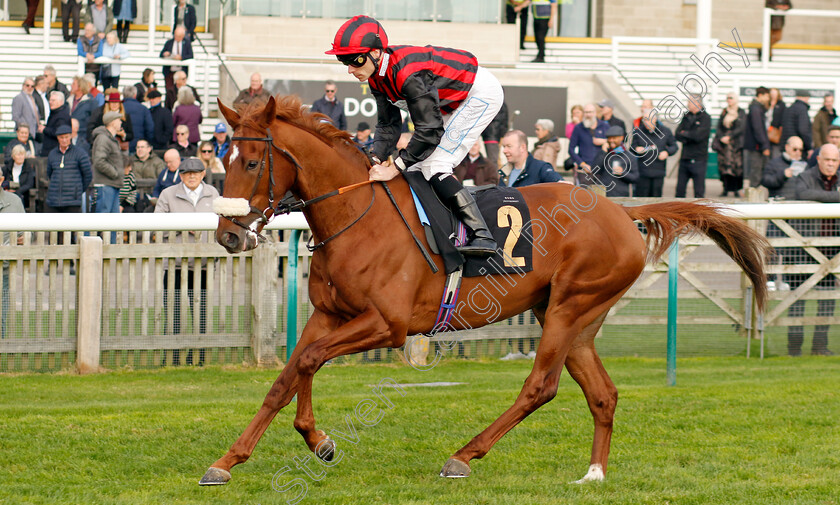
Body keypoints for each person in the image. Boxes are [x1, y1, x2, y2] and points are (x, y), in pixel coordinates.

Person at [326, 15, 504, 256]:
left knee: (436, 164)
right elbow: (389, 125)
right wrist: (374, 158)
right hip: (450, 103)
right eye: (343, 60)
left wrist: (394, 167)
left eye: (354, 60)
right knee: (417, 167)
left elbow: (429, 130)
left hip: (478, 93)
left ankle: (482, 235)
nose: (349, 69)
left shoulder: (408, 73)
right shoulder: (377, 78)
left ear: (376, 53)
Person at [155, 158, 219, 366]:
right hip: (175, 264)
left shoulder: (213, 194)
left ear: (203, 174)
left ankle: (200, 357)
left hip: (204, 265)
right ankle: (172, 357)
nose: (191, 176)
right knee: (173, 312)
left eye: (196, 172)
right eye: (187, 173)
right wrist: (184, 227)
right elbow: (157, 226)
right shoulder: (168, 194)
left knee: (202, 314)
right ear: (180, 175)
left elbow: (222, 224)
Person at [786, 143, 839, 356]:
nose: (830, 164)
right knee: (798, 298)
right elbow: (802, 194)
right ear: (818, 159)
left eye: (834, 161)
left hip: (831, 251)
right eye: (827, 159)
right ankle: (794, 348)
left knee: (827, 301)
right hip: (805, 248)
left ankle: (820, 347)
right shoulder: (805, 177)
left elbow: (814, 195)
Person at [45, 124, 93, 213]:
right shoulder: (52, 154)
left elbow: (88, 175)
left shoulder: (80, 153)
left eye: (66, 137)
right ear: (57, 138)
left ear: (70, 136)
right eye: (61, 137)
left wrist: (77, 190)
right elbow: (49, 173)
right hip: (53, 200)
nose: (64, 140)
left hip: (72, 201)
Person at [631, 106, 678, 198]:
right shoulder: (638, 132)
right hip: (642, 172)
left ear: (655, 119)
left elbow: (674, 146)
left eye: (649, 119)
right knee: (641, 198)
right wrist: (636, 149)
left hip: (658, 171)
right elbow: (632, 147)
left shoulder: (665, 131)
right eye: (645, 120)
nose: (646, 122)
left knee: (656, 198)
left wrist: (667, 152)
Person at [674, 95, 712, 198]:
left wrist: (685, 134)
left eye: (690, 102)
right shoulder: (686, 116)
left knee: (699, 191)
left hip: (699, 159)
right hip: (685, 158)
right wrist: (689, 135)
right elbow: (677, 134)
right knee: (679, 190)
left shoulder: (705, 118)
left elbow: (698, 136)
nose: (687, 104)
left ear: (697, 104)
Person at [498, 130, 563, 187]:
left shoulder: (541, 168)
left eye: (509, 146)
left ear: (522, 147)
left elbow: (563, 186)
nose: (504, 151)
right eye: (504, 147)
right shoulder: (504, 172)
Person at [91, 111, 126, 213]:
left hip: (111, 184)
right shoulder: (103, 138)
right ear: (113, 122)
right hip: (106, 184)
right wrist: (114, 173)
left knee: (113, 220)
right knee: (104, 218)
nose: (121, 123)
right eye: (119, 120)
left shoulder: (110, 139)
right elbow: (99, 161)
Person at [713, 93, 746, 197]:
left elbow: (741, 127)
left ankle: (736, 189)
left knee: (737, 167)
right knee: (724, 168)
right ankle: (726, 188)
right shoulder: (724, 111)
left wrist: (730, 136)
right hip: (724, 146)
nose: (729, 100)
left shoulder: (740, 112)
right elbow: (719, 126)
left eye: (731, 98)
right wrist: (722, 137)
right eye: (727, 98)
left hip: (735, 145)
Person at [591, 125, 638, 197]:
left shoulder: (629, 156)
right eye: (609, 138)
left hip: (621, 195)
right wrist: (603, 152)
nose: (611, 140)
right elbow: (594, 170)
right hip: (603, 194)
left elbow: (635, 177)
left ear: (621, 138)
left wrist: (623, 173)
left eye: (614, 138)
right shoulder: (604, 153)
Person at [568, 103, 609, 185]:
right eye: (586, 112)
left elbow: (614, 143)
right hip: (584, 171)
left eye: (590, 112)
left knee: (601, 196)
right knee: (584, 196)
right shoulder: (578, 128)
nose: (588, 115)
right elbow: (571, 149)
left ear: (595, 113)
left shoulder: (605, 126)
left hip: (602, 170)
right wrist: (582, 164)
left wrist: (604, 141)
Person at [743, 87, 772, 190]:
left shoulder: (757, 108)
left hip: (756, 146)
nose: (768, 99)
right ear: (761, 95)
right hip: (756, 146)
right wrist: (764, 145)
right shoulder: (756, 109)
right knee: (756, 172)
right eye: (767, 96)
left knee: (756, 171)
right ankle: (753, 197)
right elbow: (758, 128)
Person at [2, 145, 36, 210]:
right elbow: (2, 181)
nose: (20, 157)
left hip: (23, 194)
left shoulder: (28, 168)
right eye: (18, 155)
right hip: (7, 193)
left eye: (22, 155)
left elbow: (29, 184)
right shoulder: (7, 168)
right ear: (13, 156)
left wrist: (17, 191)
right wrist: (7, 190)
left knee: (18, 198)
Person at [161, 26, 194, 92]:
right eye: (175, 35)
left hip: (181, 72)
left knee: (181, 91)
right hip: (170, 72)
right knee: (169, 91)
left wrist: (181, 57)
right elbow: (161, 54)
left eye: (178, 36)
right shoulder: (169, 42)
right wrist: (165, 54)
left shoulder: (187, 43)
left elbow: (191, 55)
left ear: (183, 36)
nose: (176, 37)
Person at [121, 85, 153, 153]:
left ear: (123, 95)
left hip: (121, 145)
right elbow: (150, 128)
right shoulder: (143, 109)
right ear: (135, 95)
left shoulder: (119, 108)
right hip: (139, 146)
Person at [41, 91, 73, 156]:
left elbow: (60, 132)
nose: (50, 102)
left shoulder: (62, 116)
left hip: (56, 151)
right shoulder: (55, 113)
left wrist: (44, 129)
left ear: (61, 102)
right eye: (50, 100)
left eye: (53, 100)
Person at [781, 92, 812, 157]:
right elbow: (803, 130)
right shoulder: (802, 109)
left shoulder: (790, 108)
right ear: (806, 98)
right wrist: (809, 147)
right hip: (798, 147)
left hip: (788, 145)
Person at [480, 101, 508, 170]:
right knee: (494, 160)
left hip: (491, 135)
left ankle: (494, 179)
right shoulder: (501, 103)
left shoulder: (497, 103)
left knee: (492, 161)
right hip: (492, 135)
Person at [768, 87, 786, 158]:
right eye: (772, 93)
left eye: (775, 93)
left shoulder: (781, 104)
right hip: (766, 130)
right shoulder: (767, 104)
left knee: (775, 151)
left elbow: (783, 118)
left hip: (775, 131)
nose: (773, 95)